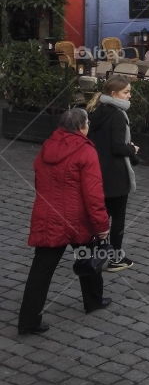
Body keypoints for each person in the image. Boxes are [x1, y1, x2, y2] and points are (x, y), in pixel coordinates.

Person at [18, 107, 112, 334]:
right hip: (76, 218)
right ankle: (93, 301)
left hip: (48, 214)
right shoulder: (86, 151)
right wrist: (101, 227)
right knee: (89, 256)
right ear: (82, 126)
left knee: (40, 271)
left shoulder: (46, 147)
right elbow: (93, 194)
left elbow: (41, 180)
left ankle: (28, 321)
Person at [88, 76, 139, 272]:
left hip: (98, 171)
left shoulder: (98, 110)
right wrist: (132, 149)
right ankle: (116, 257)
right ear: (113, 94)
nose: (129, 95)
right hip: (116, 174)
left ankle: (97, 255)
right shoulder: (118, 114)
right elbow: (117, 146)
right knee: (118, 219)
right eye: (126, 92)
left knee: (102, 217)